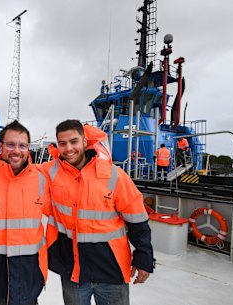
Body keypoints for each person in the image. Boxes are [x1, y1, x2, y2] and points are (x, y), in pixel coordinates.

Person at [42, 119, 154, 305]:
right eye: (62, 143)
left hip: (111, 270)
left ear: (85, 142)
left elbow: (138, 220)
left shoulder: (115, 175)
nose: (68, 148)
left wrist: (144, 258)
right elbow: (21, 173)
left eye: (74, 141)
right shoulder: (50, 173)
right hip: (73, 270)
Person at [0, 120, 51, 305]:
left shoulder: (40, 179)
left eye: (22, 145)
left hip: (28, 277)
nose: (17, 151)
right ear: (0, 146)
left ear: (28, 147)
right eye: (10, 144)